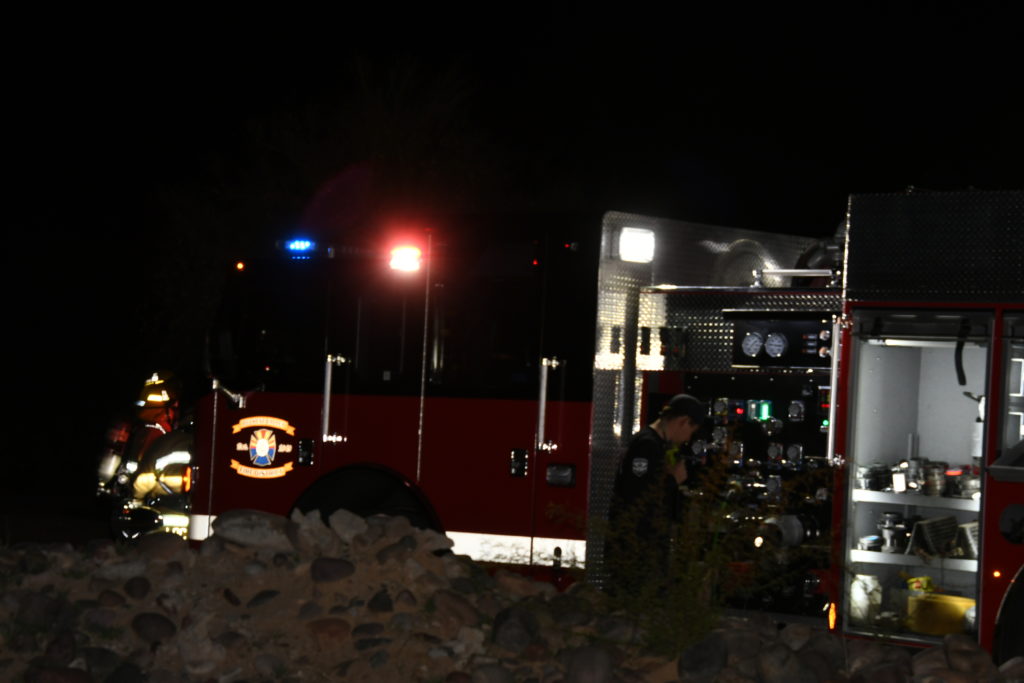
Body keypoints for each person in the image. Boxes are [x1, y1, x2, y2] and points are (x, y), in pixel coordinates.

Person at [606, 393, 707, 596]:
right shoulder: (647, 445)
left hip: (644, 544)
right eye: (690, 431)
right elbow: (638, 494)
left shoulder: (658, 445)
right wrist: (674, 479)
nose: (688, 439)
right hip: (636, 545)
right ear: (683, 421)